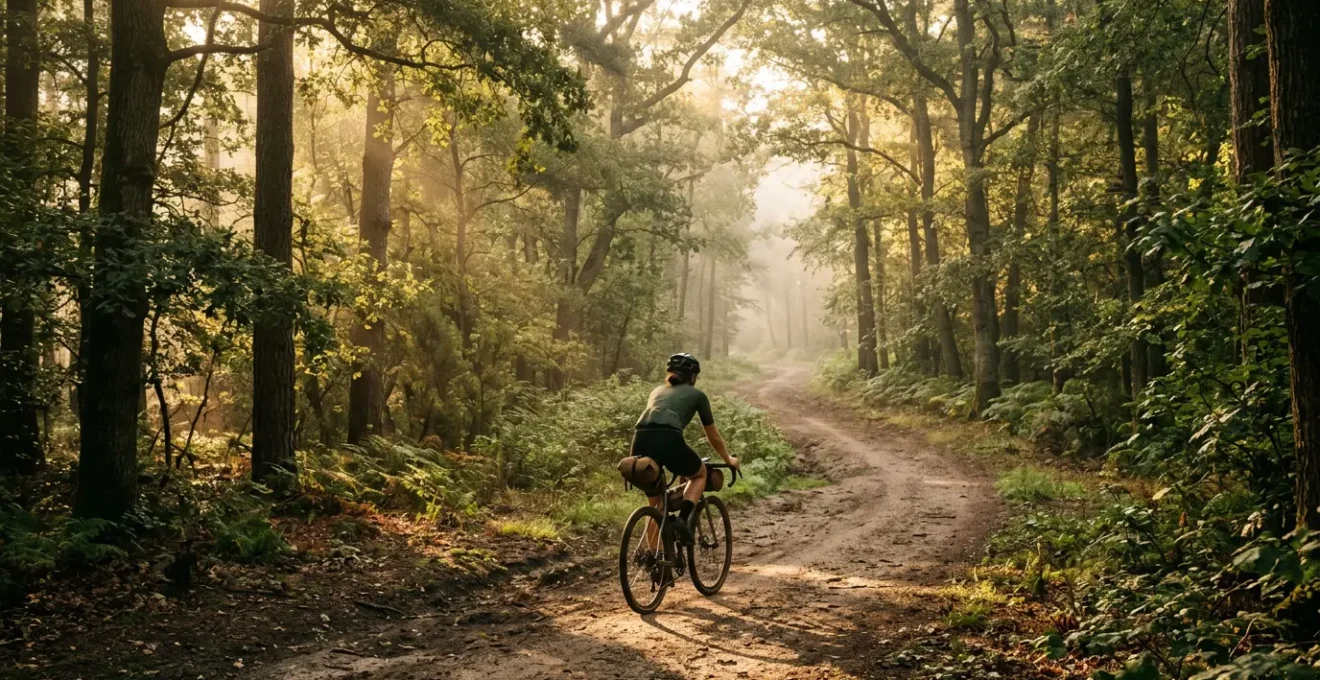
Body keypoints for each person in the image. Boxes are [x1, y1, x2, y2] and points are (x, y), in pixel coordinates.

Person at [631, 353, 739, 545]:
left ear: (670, 374)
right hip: (668, 438)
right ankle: (682, 520)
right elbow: (712, 435)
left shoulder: (656, 391)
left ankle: (655, 561)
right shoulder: (697, 395)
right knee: (699, 474)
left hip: (639, 441)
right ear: (693, 377)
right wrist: (728, 459)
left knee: (656, 505)